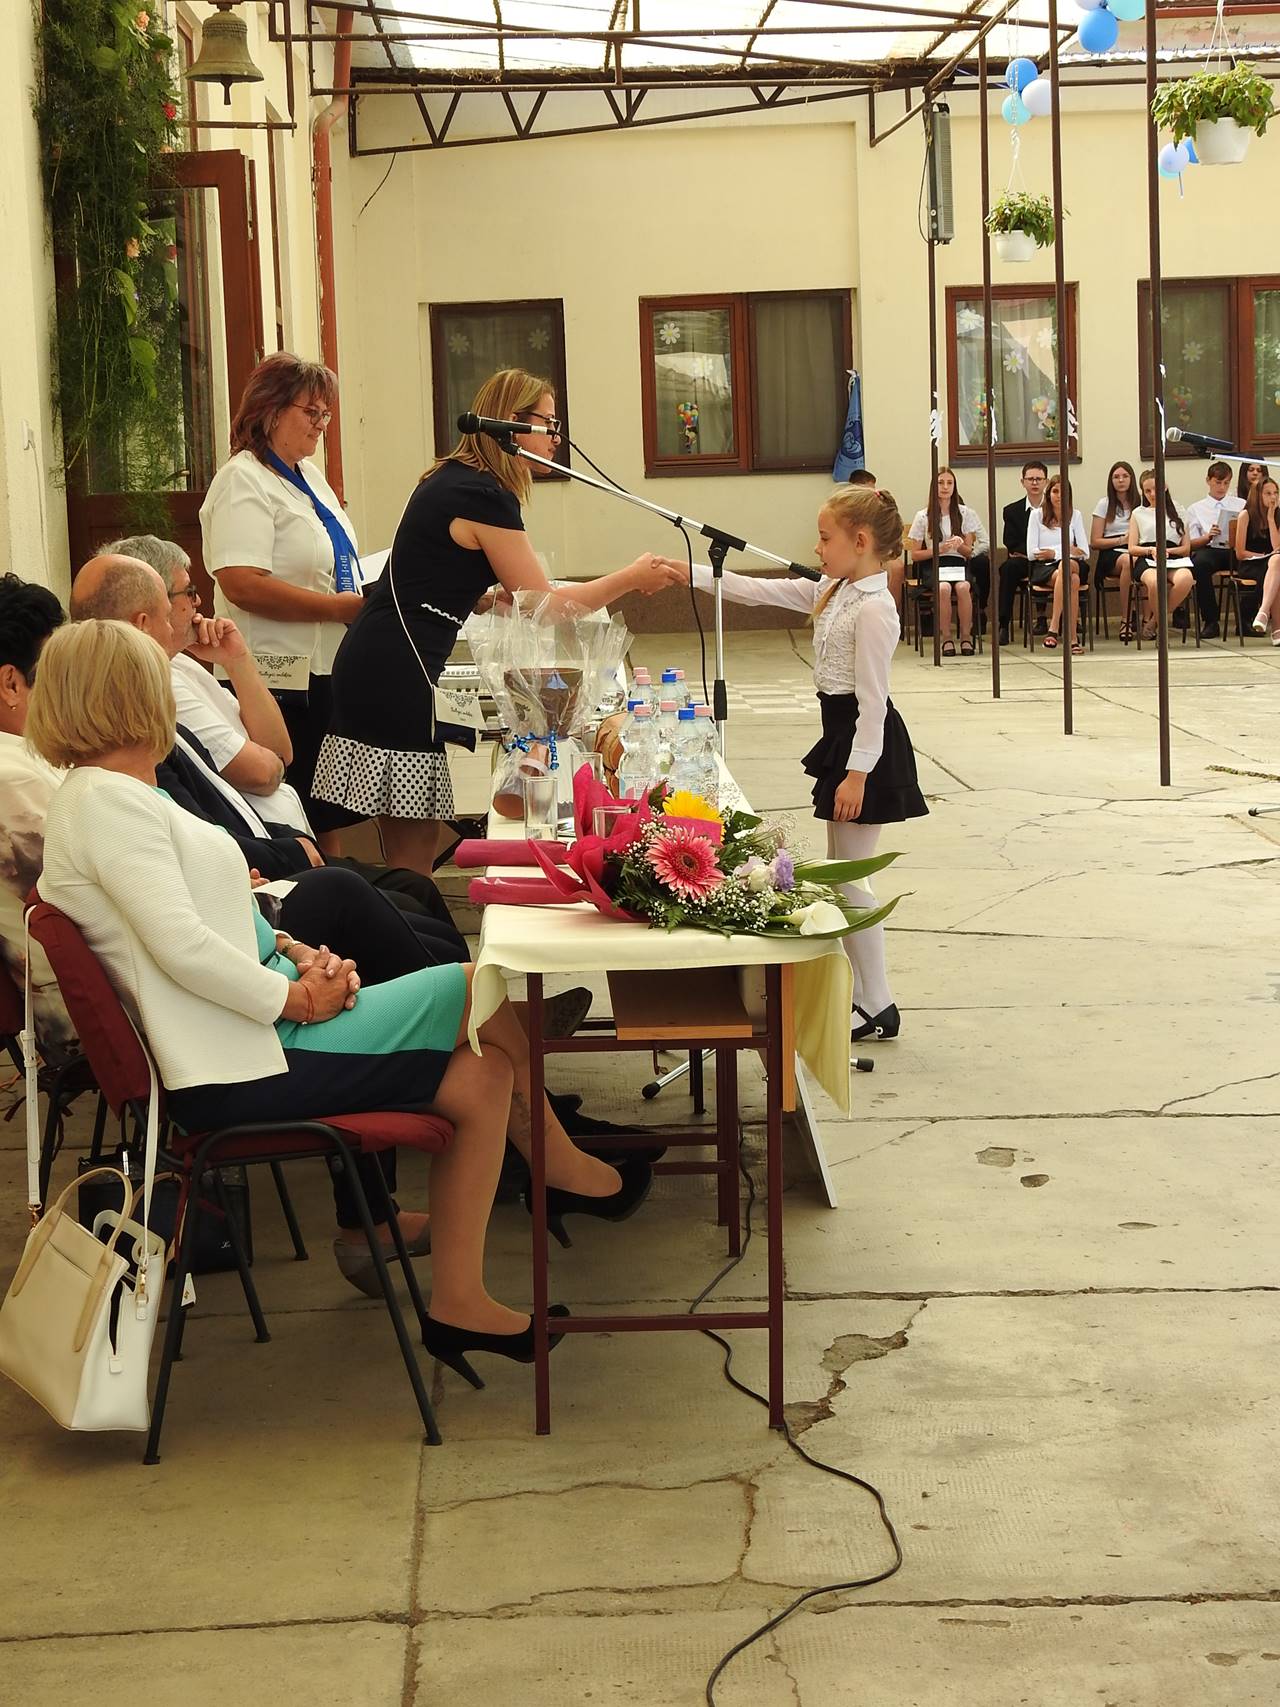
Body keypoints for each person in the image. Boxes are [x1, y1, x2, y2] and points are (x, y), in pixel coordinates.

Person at [30, 619, 651, 1379]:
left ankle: (461, 1303)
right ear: (129, 697)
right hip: (245, 1060)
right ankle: (562, 1169)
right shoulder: (106, 805)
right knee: (476, 988)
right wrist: (295, 998)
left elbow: (202, 918)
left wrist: (293, 951)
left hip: (247, 1037)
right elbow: (180, 947)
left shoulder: (112, 796)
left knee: (484, 1073)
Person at [314, 368, 685, 876]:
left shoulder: (452, 479)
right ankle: (407, 923)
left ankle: (405, 916)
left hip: (379, 659)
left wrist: (484, 598)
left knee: (410, 833)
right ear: (511, 423)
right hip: (396, 670)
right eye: (548, 423)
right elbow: (547, 608)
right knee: (413, 838)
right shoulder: (485, 497)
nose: (555, 438)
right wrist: (630, 578)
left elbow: (431, 571)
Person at [691, 486, 927, 1041]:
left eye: (825, 538)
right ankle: (869, 997)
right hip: (842, 740)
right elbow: (762, 591)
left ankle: (877, 1000)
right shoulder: (835, 590)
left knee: (851, 880)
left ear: (860, 541)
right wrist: (690, 573)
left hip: (864, 748)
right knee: (842, 875)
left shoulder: (874, 608)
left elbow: (873, 703)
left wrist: (857, 774)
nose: (817, 549)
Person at [199, 353, 365, 854]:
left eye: (325, 413)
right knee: (289, 814)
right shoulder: (242, 479)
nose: (321, 424)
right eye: (310, 412)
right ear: (270, 411)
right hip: (271, 679)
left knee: (325, 810)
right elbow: (241, 583)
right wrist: (335, 608)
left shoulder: (309, 477)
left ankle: (340, 893)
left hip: (321, 670)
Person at [101, 533, 308, 832]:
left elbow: (280, 751)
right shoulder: (156, 683)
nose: (198, 601)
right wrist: (272, 763)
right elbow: (263, 774)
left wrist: (237, 661)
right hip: (256, 841)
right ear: (155, 604)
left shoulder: (180, 663)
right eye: (189, 592)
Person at [0, 575, 73, 1049]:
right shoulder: (13, 779)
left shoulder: (26, 760)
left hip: (106, 992)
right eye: (54, 676)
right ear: (11, 683)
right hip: (99, 1014)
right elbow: (97, 910)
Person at [907, 467, 983, 656]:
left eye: (950, 483)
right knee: (943, 588)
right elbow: (915, 555)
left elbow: (970, 553)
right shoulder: (922, 516)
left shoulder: (965, 513)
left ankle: (965, 637)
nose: (945, 487)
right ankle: (946, 637)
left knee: (963, 587)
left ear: (955, 487)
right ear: (934, 486)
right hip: (934, 564)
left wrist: (959, 546)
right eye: (941, 483)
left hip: (957, 563)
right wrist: (938, 549)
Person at [1127, 470, 1194, 640]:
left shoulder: (1179, 510)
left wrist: (1168, 552)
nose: (1152, 494)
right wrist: (1151, 550)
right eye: (1147, 491)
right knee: (1155, 582)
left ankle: (1155, 622)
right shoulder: (1138, 513)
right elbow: (1132, 548)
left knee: (1186, 578)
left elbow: (1186, 547)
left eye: (1155, 489)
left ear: (1164, 487)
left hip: (1172, 556)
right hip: (1148, 557)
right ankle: (1161, 627)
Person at [1028, 476, 1090, 653]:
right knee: (1073, 581)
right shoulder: (1036, 515)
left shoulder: (1075, 515)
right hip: (1045, 567)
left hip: (1072, 563)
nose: (1059, 496)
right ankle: (1072, 639)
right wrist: (1067, 549)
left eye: (1064, 492)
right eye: (1055, 491)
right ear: (1048, 493)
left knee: (1066, 565)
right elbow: (1032, 553)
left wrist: (1054, 552)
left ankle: (1053, 628)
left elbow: (1084, 552)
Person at [1186, 461, 1242, 641]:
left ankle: (1246, 620)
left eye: (1226, 483)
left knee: (1254, 564)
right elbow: (1191, 543)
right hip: (1210, 549)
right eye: (1218, 482)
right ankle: (1211, 621)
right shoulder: (1196, 508)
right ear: (1208, 481)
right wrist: (1208, 536)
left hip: (1235, 549)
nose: (1222, 487)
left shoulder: (1241, 504)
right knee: (1199, 564)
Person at [996, 460, 1049, 644]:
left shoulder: (1056, 507)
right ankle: (1003, 625)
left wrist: (1046, 552)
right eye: (1030, 479)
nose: (1034, 483)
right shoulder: (1012, 511)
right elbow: (1011, 542)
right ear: (1023, 482)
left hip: (1051, 557)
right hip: (1024, 560)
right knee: (1008, 568)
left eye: (1039, 479)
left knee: (1062, 566)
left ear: (1046, 482)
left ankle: (1053, 620)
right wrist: (1034, 552)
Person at [1089, 462, 1138, 642]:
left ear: (1132, 479)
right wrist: (1121, 540)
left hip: (1137, 547)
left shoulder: (1141, 503)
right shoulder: (1104, 504)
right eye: (1116, 477)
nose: (1121, 480)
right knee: (1128, 561)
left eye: (1125, 476)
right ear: (1111, 481)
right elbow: (1095, 541)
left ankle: (1148, 620)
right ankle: (1126, 619)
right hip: (1112, 551)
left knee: (1145, 561)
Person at [1241, 477, 1280, 641]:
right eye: (1268, 493)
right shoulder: (1246, 515)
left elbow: (1277, 547)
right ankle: (1276, 628)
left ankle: (1263, 612)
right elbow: (1240, 552)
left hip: (1273, 562)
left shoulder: (1277, 515)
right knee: (1277, 568)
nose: (1273, 497)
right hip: (1251, 563)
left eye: (1276, 493)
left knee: (1276, 562)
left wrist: (1271, 519)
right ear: (1258, 495)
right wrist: (1263, 556)